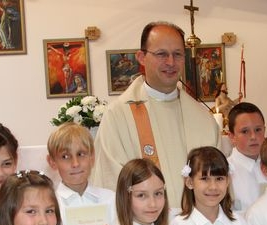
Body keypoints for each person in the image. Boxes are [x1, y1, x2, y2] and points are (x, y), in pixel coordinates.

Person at [91, 21, 220, 209]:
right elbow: (111, 181)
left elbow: (218, 177)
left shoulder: (203, 118)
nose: (171, 62)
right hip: (143, 224)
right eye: (161, 54)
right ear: (141, 57)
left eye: (177, 54)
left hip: (197, 222)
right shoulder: (118, 116)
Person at [46, 122, 116, 225]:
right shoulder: (50, 206)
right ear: (52, 162)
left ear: (92, 157)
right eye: (65, 156)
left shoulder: (111, 199)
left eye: (81, 154)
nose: (75, 163)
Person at [226, 102, 267, 212]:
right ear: (232, 137)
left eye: (258, 130)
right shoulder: (225, 171)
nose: (253, 136)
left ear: (264, 130)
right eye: (245, 131)